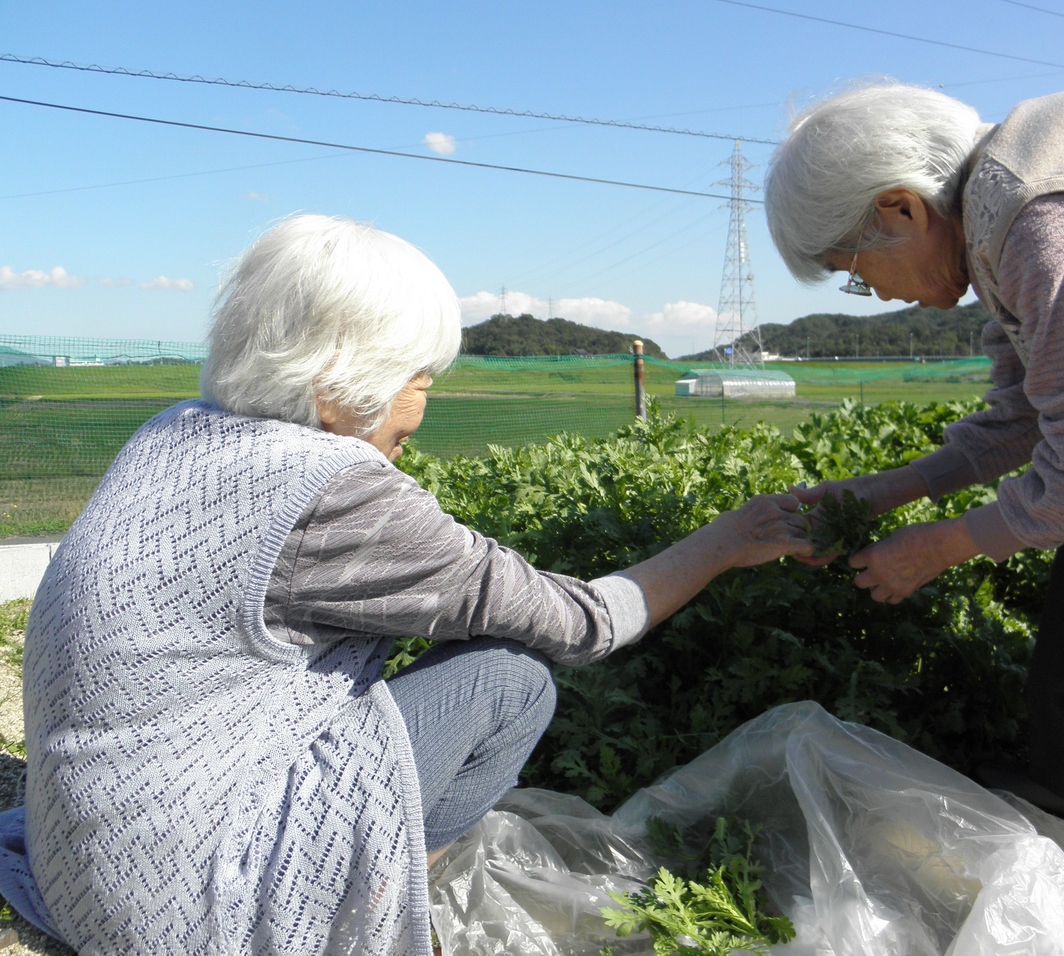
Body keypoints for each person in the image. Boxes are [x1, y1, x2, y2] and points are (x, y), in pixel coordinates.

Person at [0, 215, 812, 955]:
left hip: (83, 868)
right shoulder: (329, 488)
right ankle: (377, 915)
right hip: (182, 913)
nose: (422, 405)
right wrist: (726, 541)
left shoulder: (176, 430)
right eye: (420, 379)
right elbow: (579, 624)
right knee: (510, 678)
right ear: (338, 381)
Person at [763, 75, 1064, 956]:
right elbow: (1026, 415)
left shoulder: (1045, 212)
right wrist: (876, 494)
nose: (872, 291)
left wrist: (937, 548)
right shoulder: (995, 214)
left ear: (901, 209)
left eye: (853, 271)